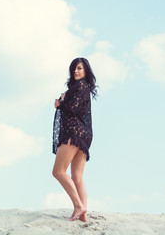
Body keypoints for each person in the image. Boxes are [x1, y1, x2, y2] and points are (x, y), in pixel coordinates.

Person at [52, 57, 97, 222]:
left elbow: (73, 108)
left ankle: (78, 206)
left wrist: (61, 103)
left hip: (74, 132)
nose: (76, 71)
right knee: (77, 176)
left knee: (58, 171)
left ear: (86, 71)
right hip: (84, 134)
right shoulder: (83, 87)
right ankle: (83, 215)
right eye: (74, 69)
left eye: (79, 68)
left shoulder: (80, 85)